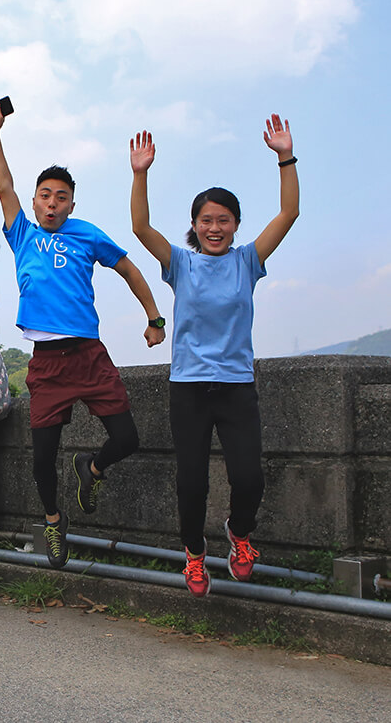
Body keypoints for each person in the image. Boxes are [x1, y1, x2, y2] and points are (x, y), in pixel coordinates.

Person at [0, 103, 166, 568]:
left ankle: (93, 467)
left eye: (60, 197)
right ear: (35, 200)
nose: (51, 203)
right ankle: (52, 520)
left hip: (88, 355)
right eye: (44, 195)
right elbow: (3, 183)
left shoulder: (86, 234)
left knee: (127, 438)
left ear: (71, 203)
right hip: (46, 361)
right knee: (42, 457)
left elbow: (128, 267)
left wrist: (153, 316)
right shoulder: (22, 233)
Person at [129, 116, 299, 597]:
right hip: (188, 388)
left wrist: (285, 157)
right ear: (195, 225)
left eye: (223, 220)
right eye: (206, 220)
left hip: (237, 386)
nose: (215, 228)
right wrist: (140, 173)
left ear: (236, 225)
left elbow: (288, 214)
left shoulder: (248, 261)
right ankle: (195, 555)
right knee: (192, 484)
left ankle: (239, 535)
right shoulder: (180, 264)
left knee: (249, 478)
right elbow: (140, 227)